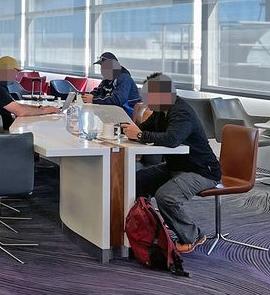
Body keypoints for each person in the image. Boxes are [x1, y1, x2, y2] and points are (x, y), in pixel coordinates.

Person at [121, 72, 220, 254]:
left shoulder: (181, 111)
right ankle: (149, 225)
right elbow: (144, 129)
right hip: (177, 167)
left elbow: (172, 139)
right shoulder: (161, 111)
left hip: (202, 171)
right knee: (136, 181)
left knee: (166, 196)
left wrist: (140, 135)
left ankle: (193, 236)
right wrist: (126, 129)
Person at [0, 55, 60, 129]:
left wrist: (39, 108)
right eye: (14, 73)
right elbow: (20, 111)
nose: (15, 76)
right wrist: (44, 111)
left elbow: (15, 105)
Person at [83, 52, 140, 116]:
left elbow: (118, 100)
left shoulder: (124, 78)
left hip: (128, 116)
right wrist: (87, 96)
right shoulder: (107, 80)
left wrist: (93, 100)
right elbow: (98, 91)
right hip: (113, 113)